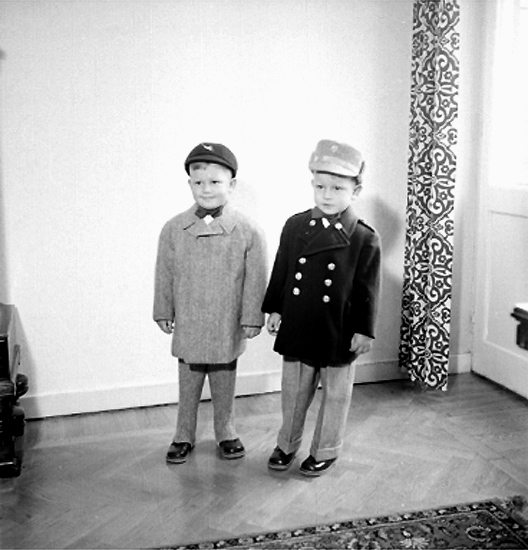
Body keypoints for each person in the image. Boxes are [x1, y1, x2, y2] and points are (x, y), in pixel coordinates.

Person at [262, 139, 381, 477]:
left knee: (336, 395)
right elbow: (282, 270)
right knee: (294, 391)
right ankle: (286, 443)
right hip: (299, 322)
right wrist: (275, 309)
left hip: (338, 329)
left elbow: (368, 289)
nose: (327, 195)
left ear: (356, 191)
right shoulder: (295, 226)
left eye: (337, 188)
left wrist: (364, 330)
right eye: (320, 186)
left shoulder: (363, 237)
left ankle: (325, 449)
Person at [154, 142, 268, 464]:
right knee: (188, 383)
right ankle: (183, 434)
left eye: (215, 182)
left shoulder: (247, 231)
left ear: (231, 185)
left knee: (223, 381)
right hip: (189, 321)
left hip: (225, 323)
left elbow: (255, 278)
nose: (206, 189)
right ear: (189, 184)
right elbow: (164, 272)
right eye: (198, 182)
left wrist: (252, 317)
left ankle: (226, 431)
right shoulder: (173, 229)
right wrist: (163, 310)